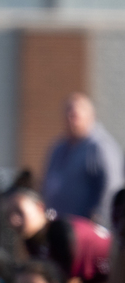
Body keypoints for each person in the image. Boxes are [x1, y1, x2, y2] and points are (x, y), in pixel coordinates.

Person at [3, 173, 111, 283]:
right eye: (7, 215)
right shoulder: (32, 241)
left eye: (18, 211)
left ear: (39, 207)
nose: (13, 220)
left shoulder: (61, 232)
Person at [41, 93, 122, 224]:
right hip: (59, 228)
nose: (70, 119)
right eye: (68, 114)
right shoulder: (58, 148)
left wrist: (99, 221)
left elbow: (112, 188)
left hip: (86, 231)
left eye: (75, 116)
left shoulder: (101, 147)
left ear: (91, 116)